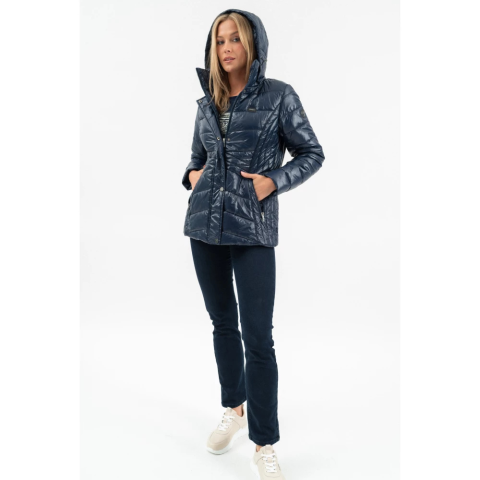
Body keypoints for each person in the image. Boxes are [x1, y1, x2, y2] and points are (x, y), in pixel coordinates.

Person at [181, 8, 325, 479]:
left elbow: (312, 152)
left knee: (258, 337)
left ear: (253, 44)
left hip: (253, 230)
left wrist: (273, 182)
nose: (226, 48)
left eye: (235, 39)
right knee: (222, 323)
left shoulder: (279, 96)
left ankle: (264, 443)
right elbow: (196, 158)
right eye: (220, 40)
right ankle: (234, 408)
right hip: (203, 228)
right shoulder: (208, 100)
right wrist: (192, 177)